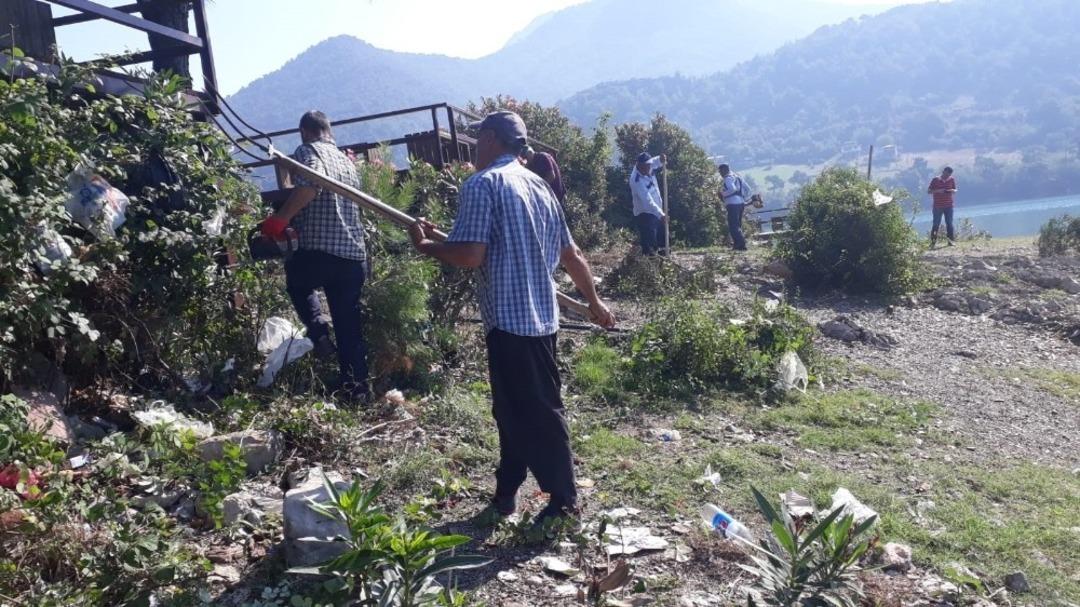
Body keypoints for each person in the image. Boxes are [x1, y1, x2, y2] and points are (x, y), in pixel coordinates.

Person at [408, 111, 615, 529]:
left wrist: (426, 247)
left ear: (488, 139)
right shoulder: (539, 186)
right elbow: (569, 255)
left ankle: (565, 503)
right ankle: (506, 492)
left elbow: (470, 256)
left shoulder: (482, 184)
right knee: (512, 409)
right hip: (541, 320)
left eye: (475, 141)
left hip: (509, 321)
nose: (473, 148)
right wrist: (594, 301)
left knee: (537, 411)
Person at [260, 111, 369, 400]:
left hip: (318, 251)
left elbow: (309, 186)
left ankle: (319, 332)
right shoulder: (346, 161)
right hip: (352, 254)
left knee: (298, 282)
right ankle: (356, 388)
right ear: (328, 131)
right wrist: (285, 168)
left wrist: (280, 220)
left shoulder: (308, 150)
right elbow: (304, 186)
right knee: (349, 325)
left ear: (305, 132)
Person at [629, 152, 667, 255]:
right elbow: (647, 201)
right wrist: (661, 214)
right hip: (645, 213)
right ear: (638, 165)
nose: (647, 169)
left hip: (657, 209)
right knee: (649, 243)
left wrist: (660, 159)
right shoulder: (635, 180)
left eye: (648, 166)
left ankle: (664, 259)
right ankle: (650, 263)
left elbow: (655, 161)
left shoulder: (649, 165)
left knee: (662, 237)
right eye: (644, 167)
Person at [718, 164, 748, 251]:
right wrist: (742, 198)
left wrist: (722, 194)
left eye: (720, 171)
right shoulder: (738, 177)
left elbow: (733, 189)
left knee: (733, 226)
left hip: (732, 204)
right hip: (741, 203)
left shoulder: (727, 178)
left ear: (724, 170)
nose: (720, 173)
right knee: (737, 225)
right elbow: (748, 189)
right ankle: (737, 245)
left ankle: (741, 244)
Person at [928, 167, 957, 247]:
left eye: (949, 175)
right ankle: (933, 242)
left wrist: (952, 191)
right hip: (938, 206)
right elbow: (929, 191)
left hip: (949, 206)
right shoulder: (935, 180)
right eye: (946, 174)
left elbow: (955, 189)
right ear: (943, 172)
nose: (947, 176)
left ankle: (950, 241)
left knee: (949, 224)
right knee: (936, 224)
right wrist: (938, 191)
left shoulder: (951, 179)